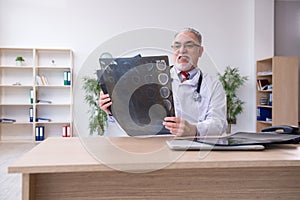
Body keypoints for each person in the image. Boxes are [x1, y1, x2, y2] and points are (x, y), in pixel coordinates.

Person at [99, 28, 227, 138]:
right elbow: (135, 121)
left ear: (200, 51)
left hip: (193, 145)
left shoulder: (212, 84)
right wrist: (113, 109)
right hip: (155, 145)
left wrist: (193, 129)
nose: (182, 51)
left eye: (189, 45)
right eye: (177, 46)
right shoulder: (151, 78)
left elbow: (219, 123)